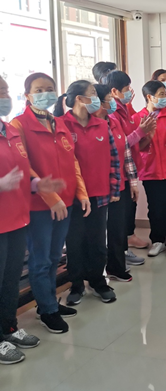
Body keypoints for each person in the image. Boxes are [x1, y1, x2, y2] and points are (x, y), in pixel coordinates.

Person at [11, 73, 86, 334]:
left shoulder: (58, 122)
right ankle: (47, 310)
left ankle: (49, 302)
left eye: (50, 89)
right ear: (28, 95)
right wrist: (52, 198)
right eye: (39, 90)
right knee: (41, 259)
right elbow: (24, 165)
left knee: (55, 256)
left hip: (66, 202)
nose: (46, 94)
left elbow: (72, 161)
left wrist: (81, 193)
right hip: (39, 206)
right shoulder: (19, 125)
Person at [0, 78, 65, 364]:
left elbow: (23, 172)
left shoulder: (10, 132)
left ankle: (8, 327)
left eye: (5, 91)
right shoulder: (18, 126)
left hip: (16, 219)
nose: (4, 96)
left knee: (10, 280)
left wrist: (40, 185)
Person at [62, 80, 120, 305]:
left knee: (97, 241)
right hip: (72, 196)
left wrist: (115, 187)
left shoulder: (102, 125)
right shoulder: (61, 125)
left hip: (99, 194)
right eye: (93, 93)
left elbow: (114, 158)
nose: (97, 98)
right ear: (79, 98)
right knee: (74, 242)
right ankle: (76, 285)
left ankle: (98, 281)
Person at [106, 70, 156, 257]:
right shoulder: (112, 114)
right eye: (127, 88)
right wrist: (141, 132)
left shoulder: (124, 110)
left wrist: (146, 135)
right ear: (114, 91)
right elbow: (121, 144)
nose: (130, 92)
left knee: (128, 209)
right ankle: (120, 253)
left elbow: (132, 144)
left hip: (130, 169)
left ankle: (126, 246)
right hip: (119, 171)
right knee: (119, 216)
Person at [94, 84, 139, 282]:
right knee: (97, 233)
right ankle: (94, 275)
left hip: (120, 184)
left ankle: (116, 267)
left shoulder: (113, 121)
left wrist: (133, 182)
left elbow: (126, 152)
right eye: (108, 99)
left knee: (118, 229)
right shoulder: (90, 125)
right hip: (99, 187)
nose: (112, 103)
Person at [135, 80, 166, 259]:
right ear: (150, 97)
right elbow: (137, 147)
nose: (165, 97)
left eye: (165, 94)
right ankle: (157, 240)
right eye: (161, 94)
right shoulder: (138, 118)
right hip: (150, 170)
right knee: (155, 208)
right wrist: (148, 137)